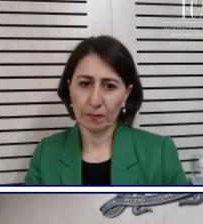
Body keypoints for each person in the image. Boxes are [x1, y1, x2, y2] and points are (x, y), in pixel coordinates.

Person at [24, 35, 188, 185]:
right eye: (85, 84)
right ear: (69, 88)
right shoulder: (45, 153)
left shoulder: (160, 153)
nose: (94, 101)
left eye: (109, 86)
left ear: (126, 94)